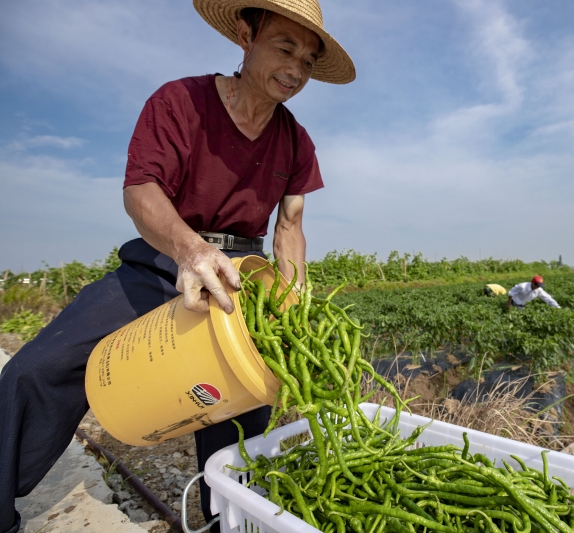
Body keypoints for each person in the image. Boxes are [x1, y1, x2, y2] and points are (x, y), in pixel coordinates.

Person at [0, 2, 355, 532]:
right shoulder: (181, 101)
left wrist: (292, 296)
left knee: (241, 416)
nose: (295, 70)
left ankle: (227, 522)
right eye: (285, 48)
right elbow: (141, 190)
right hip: (163, 260)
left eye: (307, 61)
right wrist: (190, 250)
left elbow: (290, 227)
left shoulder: (296, 140)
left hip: (240, 280)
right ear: (245, 36)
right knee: (40, 368)